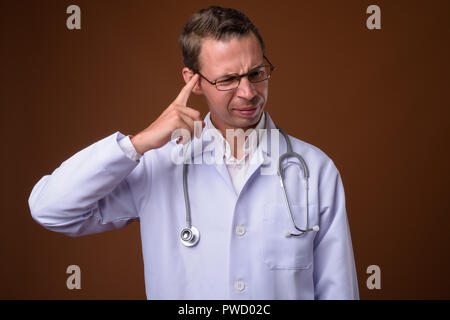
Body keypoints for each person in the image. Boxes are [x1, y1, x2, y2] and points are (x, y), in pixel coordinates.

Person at [28, 6, 359, 299]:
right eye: (228, 79)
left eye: (257, 74)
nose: (249, 92)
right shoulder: (158, 164)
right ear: (194, 81)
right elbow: (51, 209)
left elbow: (338, 289)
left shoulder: (314, 169)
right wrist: (138, 143)